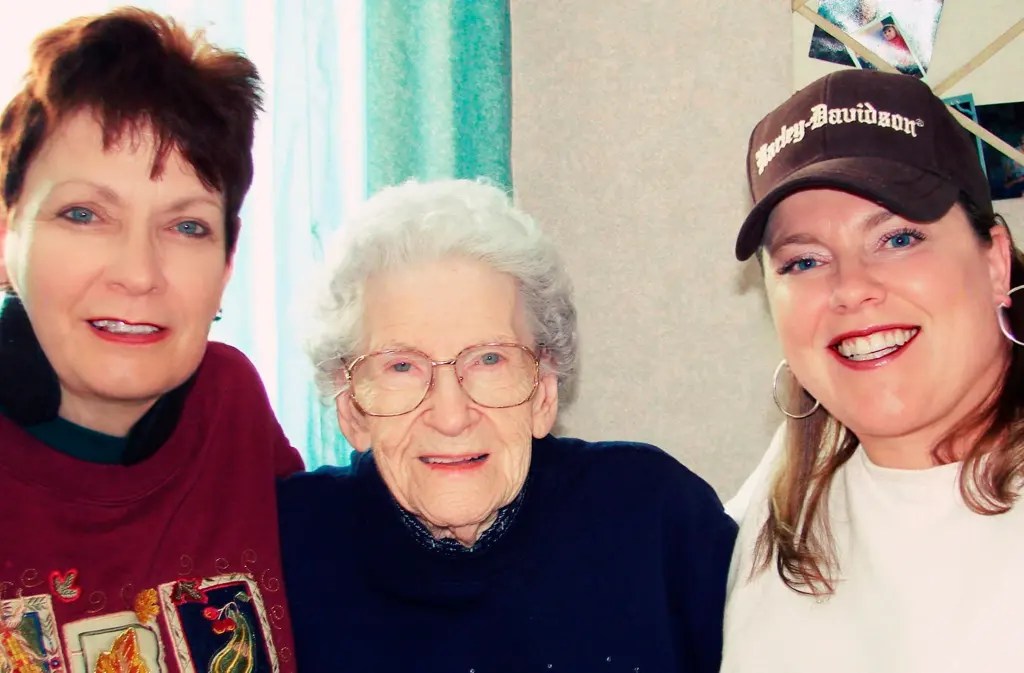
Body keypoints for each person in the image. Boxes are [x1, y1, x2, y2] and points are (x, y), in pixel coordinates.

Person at [278, 178, 737, 673]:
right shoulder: (289, 550)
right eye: (402, 367)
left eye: (490, 359)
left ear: (544, 391)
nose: (451, 417)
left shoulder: (654, 517)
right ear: (350, 407)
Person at [0, 9, 302, 672]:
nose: (138, 273)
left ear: (227, 264)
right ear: (6, 235)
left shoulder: (233, 406)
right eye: (83, 214)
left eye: (188, 227)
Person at [723, 68, 1024, 672]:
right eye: (804, 260)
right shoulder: (785, 491)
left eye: (897, 240)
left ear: (994, 260)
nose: (850, 289)